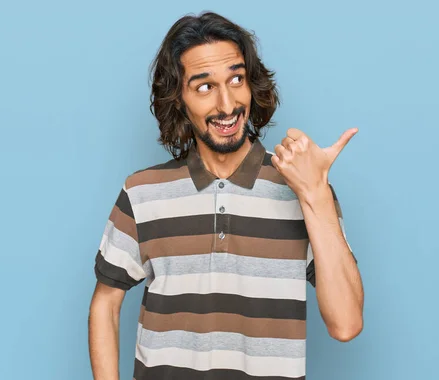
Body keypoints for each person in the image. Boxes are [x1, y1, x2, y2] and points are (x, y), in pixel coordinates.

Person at [88, 11, 364, 380]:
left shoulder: (303, 187)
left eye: (236, 79)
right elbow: (106, 304)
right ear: (179, 98)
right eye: (204, 87)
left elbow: (346, 325)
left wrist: (315, 193)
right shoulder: (142, 193)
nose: (226, 104)